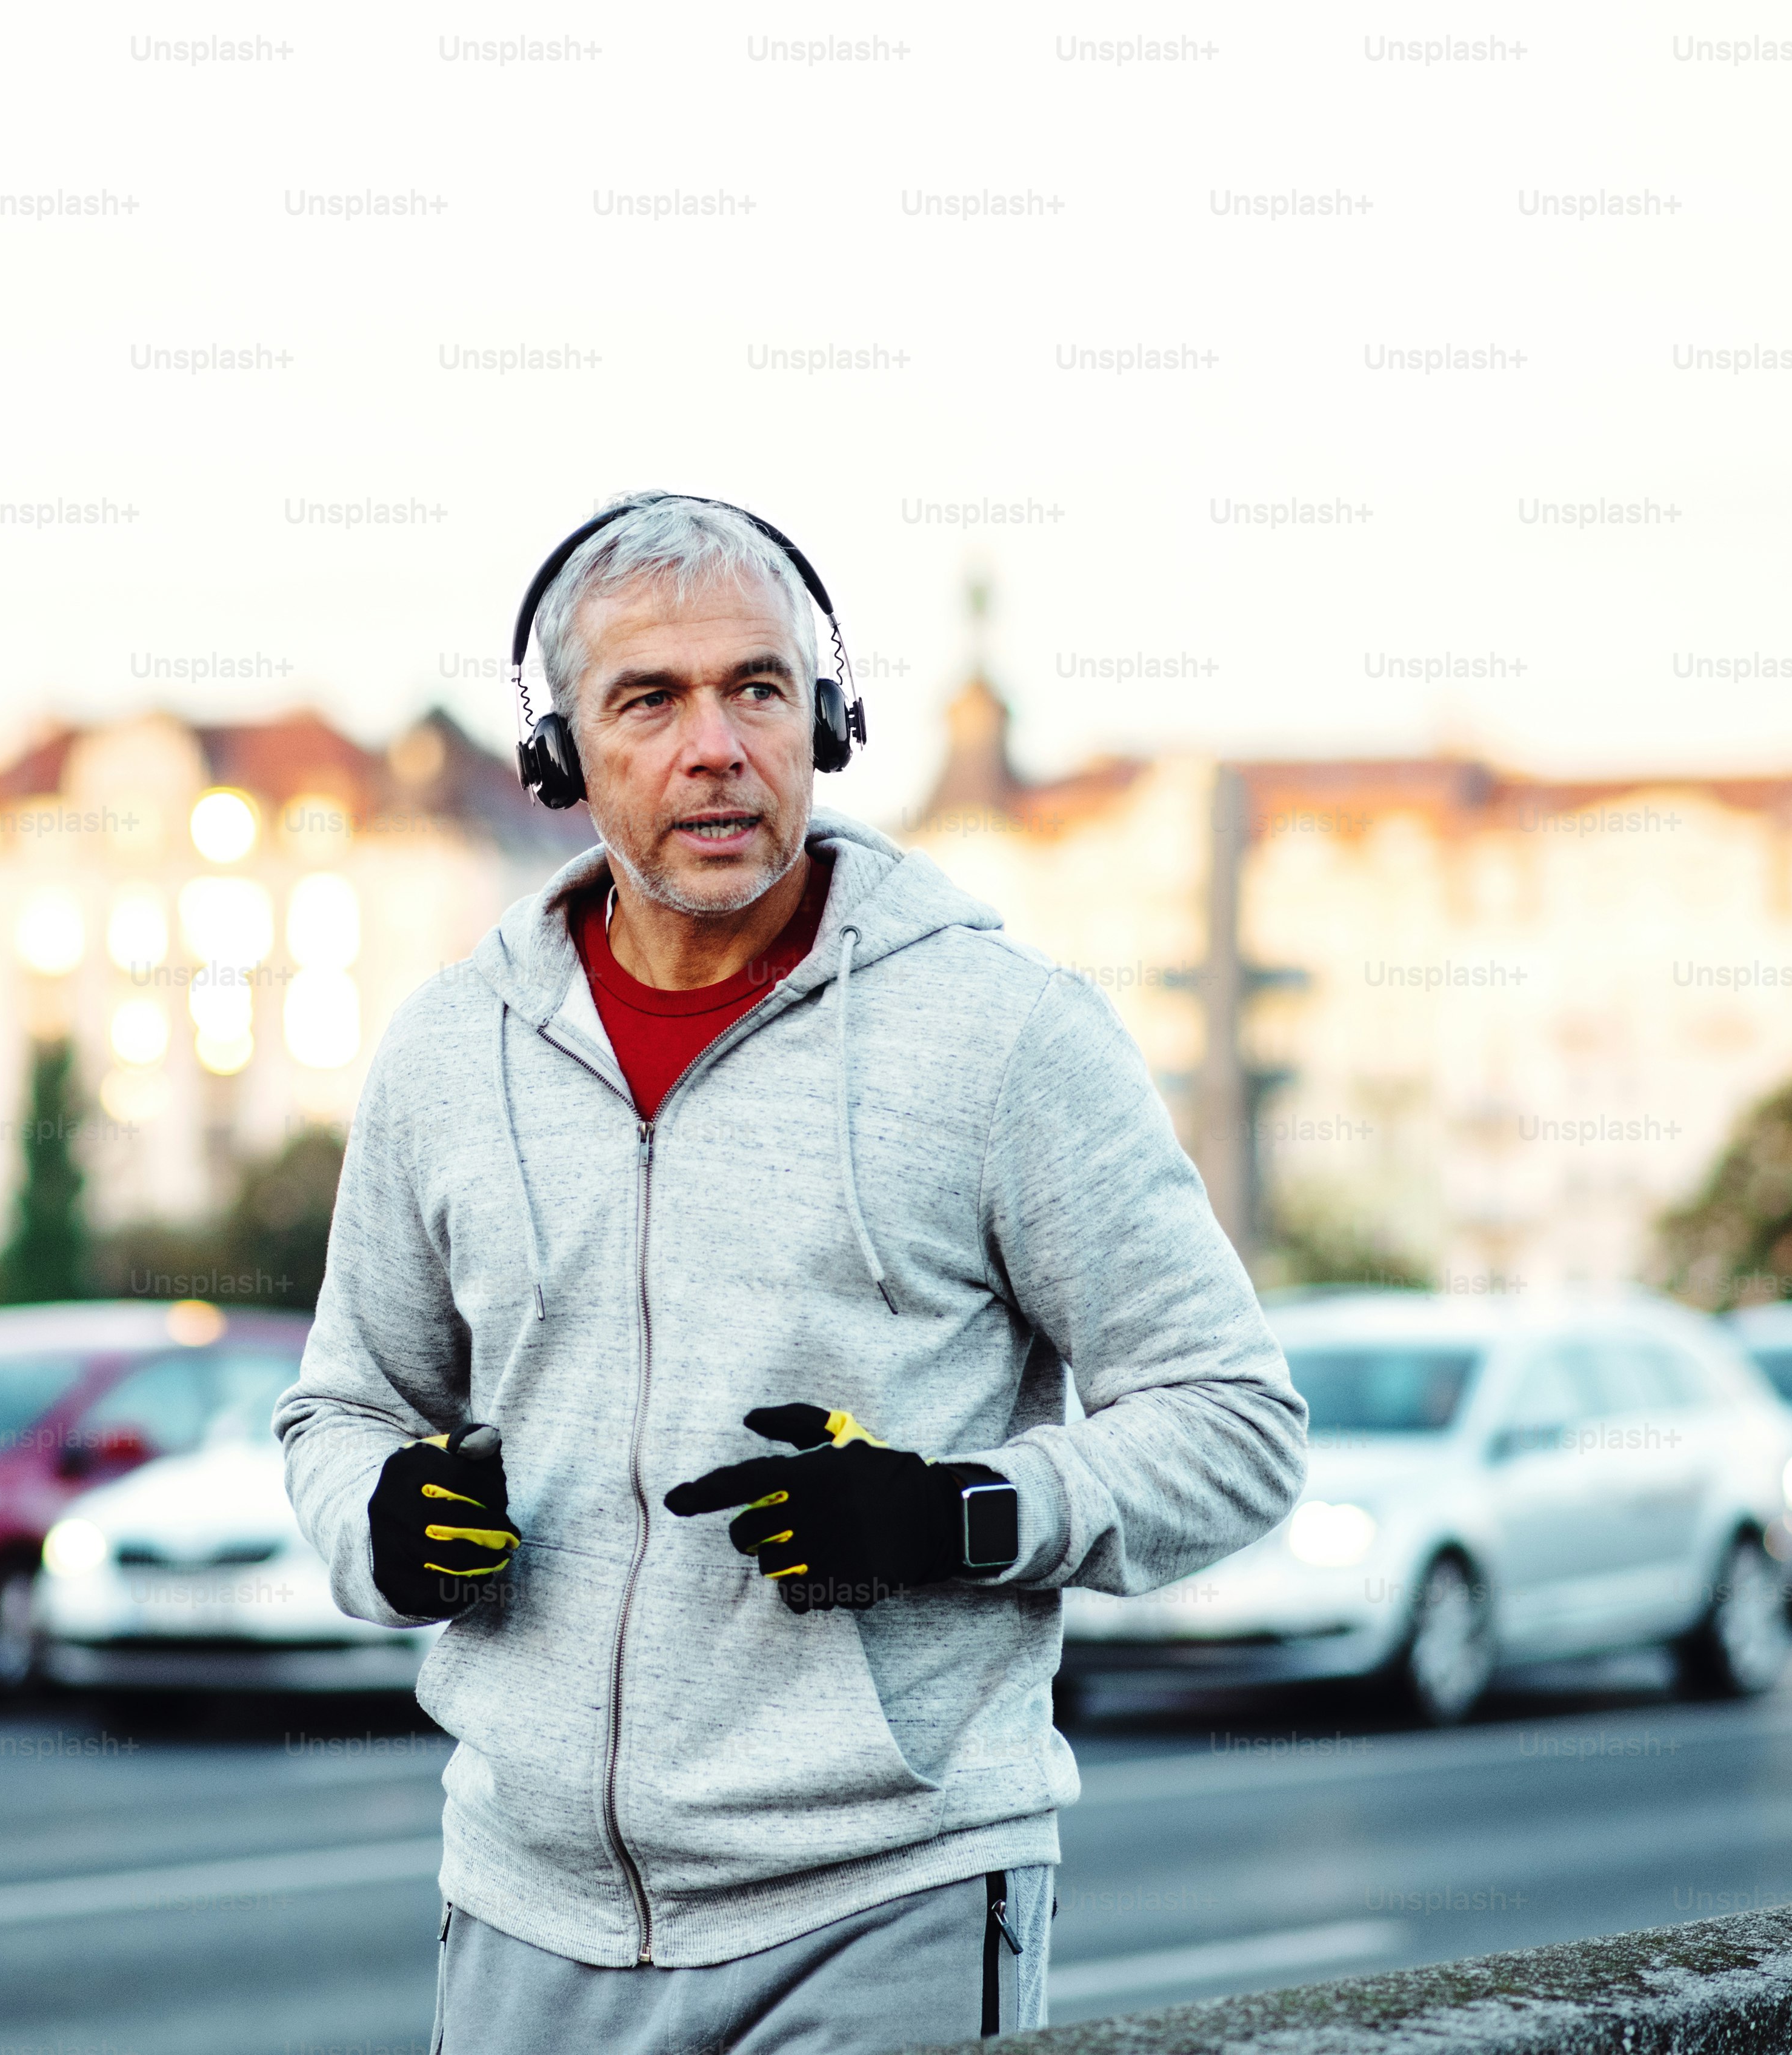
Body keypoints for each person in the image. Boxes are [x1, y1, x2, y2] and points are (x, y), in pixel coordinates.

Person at [275, 492, 1305, 2050]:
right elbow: (341, 1406)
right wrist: (384, 1527)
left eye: (757, 687)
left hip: (881, 1896)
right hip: (519, 1907)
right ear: (558, 757)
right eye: (649, 700)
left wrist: (959, 1512)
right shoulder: (446, 1053)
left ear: (823, 722)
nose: (716, 744)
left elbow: (1235, 1421)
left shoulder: (1001, 1032)